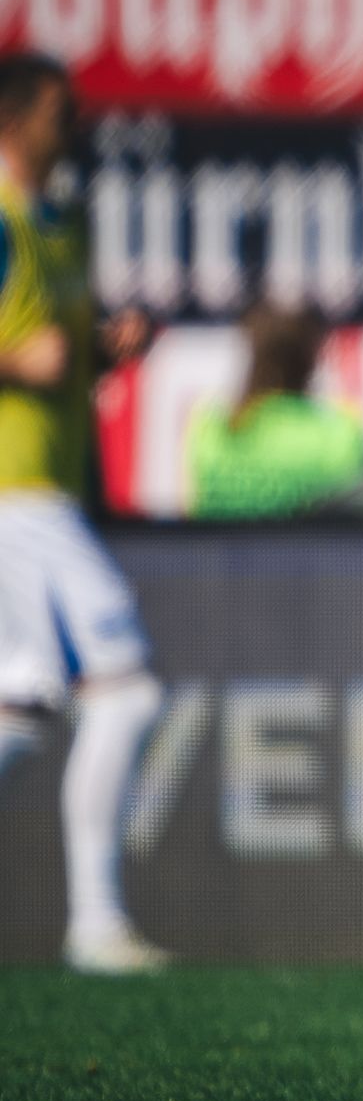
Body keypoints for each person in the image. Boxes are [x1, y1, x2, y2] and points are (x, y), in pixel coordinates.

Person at [0, 52, 165, 975]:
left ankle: (97, 924)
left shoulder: (62, 227)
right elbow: (29, 359)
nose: (78, 128)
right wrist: (28, 363)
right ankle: (96, 923)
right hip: (12, 494)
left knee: (21, 709)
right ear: (16, 118)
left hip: (47, 489)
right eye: (63, 114)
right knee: (128, 690)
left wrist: (107, 350)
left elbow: (61, 363)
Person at [184, 303, 363, 518]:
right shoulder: (339, 434)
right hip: (306, 552)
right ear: (312, 361)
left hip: (222, 552)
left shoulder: (209, 426)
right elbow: (354, 529)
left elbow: (192, 516)